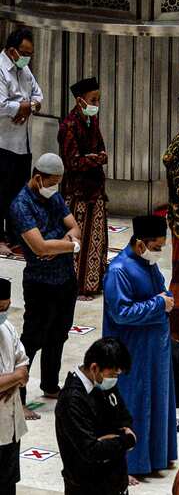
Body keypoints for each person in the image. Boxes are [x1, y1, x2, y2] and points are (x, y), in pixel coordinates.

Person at [102, 213, 175, 482]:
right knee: (134, 403)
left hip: (155, 348)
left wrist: (165, 300)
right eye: (156, 247)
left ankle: (156, 456)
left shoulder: (147, 264)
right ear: (141, 243)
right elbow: (121, 313)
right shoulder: (119, 270)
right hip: (133, 350)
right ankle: (132, 461)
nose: (159, 253)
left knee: (157, 400)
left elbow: (161, 292)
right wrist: (159, 304)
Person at [10, 149, 78, 403]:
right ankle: (20, 394)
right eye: (51, 183)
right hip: (40, 282)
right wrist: (70, 245)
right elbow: (39, 248)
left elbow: (74, 226)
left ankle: (51, 384)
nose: (55, 188)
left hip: (65, 278)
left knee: (58, 334)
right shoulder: (21, 205)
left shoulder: (54, 197)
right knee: (33, 338)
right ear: (38, 178)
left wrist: (59, 244)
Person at [54, 338, 136, 495]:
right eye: (112, 374)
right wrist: (125, 440)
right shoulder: (72, 400)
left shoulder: (103, 383)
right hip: (87, 485)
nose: (114, 379)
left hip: (115, 480)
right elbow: (92, 450)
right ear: (94, 368)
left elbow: (125, 418)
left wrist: (112, 439)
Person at [58, 76, 108, 297]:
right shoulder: (68, 126)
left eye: (98, 100)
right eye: (93, 100)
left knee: (96, 239)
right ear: (80, 101)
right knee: (77, 241)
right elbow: (73, 162)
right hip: (77, 192)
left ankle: (93, 283)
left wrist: (96, 157)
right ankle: (75, 285)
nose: (96, 105)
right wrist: (96, 159)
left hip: (95, 189)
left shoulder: (92, 122)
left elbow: (101, 149)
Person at [0, 28, 41, 253]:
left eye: (30, 54)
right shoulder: (0, 69)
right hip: (2, 142)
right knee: (1, 192)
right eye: (24, 52)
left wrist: (27, 107)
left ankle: (16, 237)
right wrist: (24, 106)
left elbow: (39, 97)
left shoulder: (24, 69)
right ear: (11, 50)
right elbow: (1, 105)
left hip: (22, 143)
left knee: (18, 193)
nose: (27, 57)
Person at [0, 278, 24, 491]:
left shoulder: (8, 328)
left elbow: (23, 368)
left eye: (6, 307)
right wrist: (15, 378)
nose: (3, 313)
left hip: (11, 425)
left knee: (8, 484)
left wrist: (10, 383)